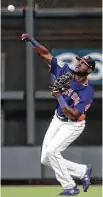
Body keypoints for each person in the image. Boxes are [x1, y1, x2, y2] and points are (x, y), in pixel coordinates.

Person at [21, 33, 95, 196]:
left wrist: (59, 96)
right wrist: (32, 41)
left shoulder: (88, 92)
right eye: (80, 61)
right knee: (45, 159)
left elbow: (74, 115)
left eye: (83, 64)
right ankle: (82, 171)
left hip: (73, 125)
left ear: (89, 70)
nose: (79, 64)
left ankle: (70, 186)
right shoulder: (65, 70)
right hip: (58, 118)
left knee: (53, 151)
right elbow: (45, 54)